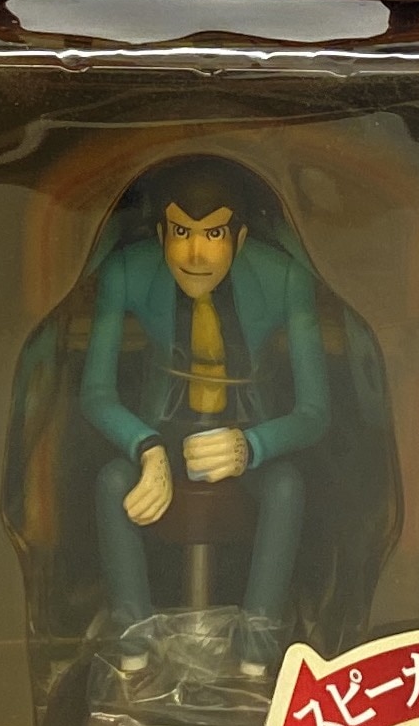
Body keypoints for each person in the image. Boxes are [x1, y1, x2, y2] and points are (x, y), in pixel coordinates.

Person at [80, 156, 331, 674]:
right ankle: (133, 653)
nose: (196, 254)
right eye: (181, 233)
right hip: (161, 429)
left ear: (239, 238)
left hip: (247, 431)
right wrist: (147, 447)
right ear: (160, 234)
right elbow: (96, 393)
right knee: (111, 483)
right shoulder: (126, 272)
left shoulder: (285, 278)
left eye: (214, 234)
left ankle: (256, 662)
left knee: (286, 487)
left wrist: (251, 446)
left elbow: (314, 411)